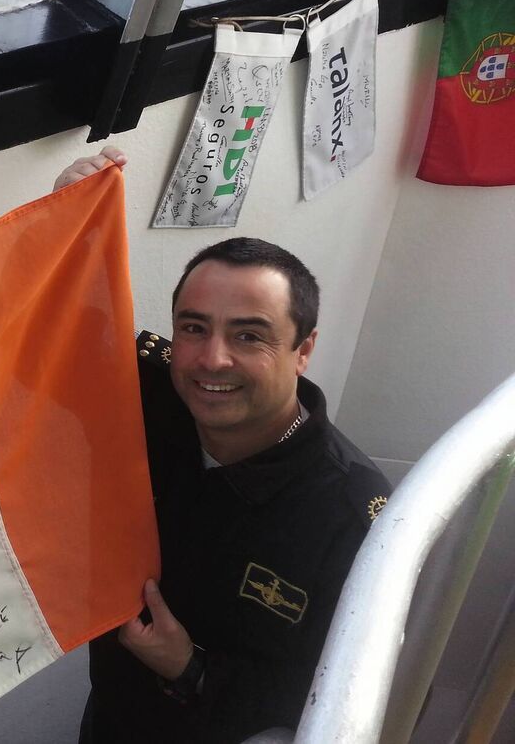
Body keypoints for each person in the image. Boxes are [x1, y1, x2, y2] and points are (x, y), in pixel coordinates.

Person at [58, 150, 390, 744]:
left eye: (249, 335)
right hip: (109, 717)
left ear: (303, 349)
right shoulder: (148, 389)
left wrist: (189, 666)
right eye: (194, 327)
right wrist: (62, 224)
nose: (212, 359)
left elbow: (335, 693)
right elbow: (20, 350)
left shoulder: (352, 513)